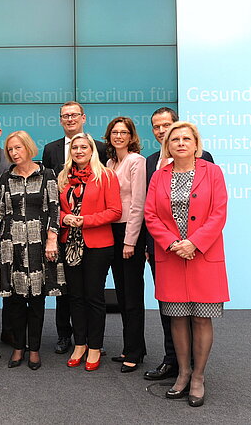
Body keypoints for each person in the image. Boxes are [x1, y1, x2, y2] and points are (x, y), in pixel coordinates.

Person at [144, 121, 229, 407]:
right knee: (177, 317)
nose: (180, 143)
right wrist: (171, 243)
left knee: (201, 317)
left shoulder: (213, 172)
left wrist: (194, 243)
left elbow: (219, 213)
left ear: (196, 144)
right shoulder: (159, 176)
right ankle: (183, 373)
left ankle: (199, 377)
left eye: (186, 139)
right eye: (174, 139)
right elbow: (151, 215)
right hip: (170, 257)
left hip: (203, 256)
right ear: (167, 145)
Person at [0, 130, 65, 370]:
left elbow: (54, 208)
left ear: (28, 148)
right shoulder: (6, 177)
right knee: (17, 301)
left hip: (39, 245)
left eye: (18, 148)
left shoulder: (47, 175)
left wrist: (52, 239)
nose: (14, 153)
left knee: (37, 300)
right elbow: (0, 208)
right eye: (10, 149)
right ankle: (18, 347)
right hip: (11, 245)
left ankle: (34, 349)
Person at [43, 101, 107, 355]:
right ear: (60, 120)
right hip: (64, 233)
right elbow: (51, 191)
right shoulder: (51, 149)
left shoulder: (101, 149)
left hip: (94, 236)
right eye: (65, 116)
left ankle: (93, 341)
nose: (69, 119)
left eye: (74, 115)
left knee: (91, 292)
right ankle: (64, 336)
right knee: (65, 289)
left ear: (83, 117)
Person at [58, 133, 122, 371]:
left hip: (98, 245)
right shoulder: (63, 177)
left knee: (93, 297)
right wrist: (66, 218)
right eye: (75, 147)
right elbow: (56, 210)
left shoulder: (106, 176)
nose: (79, 151)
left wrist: (85, 220)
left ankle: (95, 346)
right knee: (75, 296)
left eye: (84, 146)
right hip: (70, 244)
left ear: (92, 149)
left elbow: (115, 211)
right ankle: (80, 343)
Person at [104, 116, 147, 373]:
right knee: (121, 294)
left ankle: (134, 352)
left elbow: (138, 203)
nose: (118, 136)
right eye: (115, 132)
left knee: (132, 295)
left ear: (131, 137)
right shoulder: (110, 162)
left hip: (130, 232)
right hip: (113, 230)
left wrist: (130, 241)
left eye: (124, 132)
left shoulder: (136, 161)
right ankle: (133, 347)